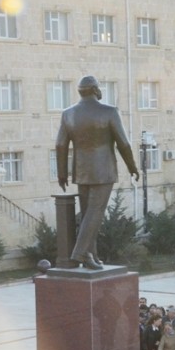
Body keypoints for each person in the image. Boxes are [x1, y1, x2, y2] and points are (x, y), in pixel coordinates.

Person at [55, 75, 140, 269]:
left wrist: (62, 173)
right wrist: (132, 166)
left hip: (81, 171)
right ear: (95, 90)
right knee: (95, 212)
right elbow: (123, 143)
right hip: (103, 171)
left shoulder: (68, 113)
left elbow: (60, 144)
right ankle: (80, 253)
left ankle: (91, 256)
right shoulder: (109, 111)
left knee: (88, 215)